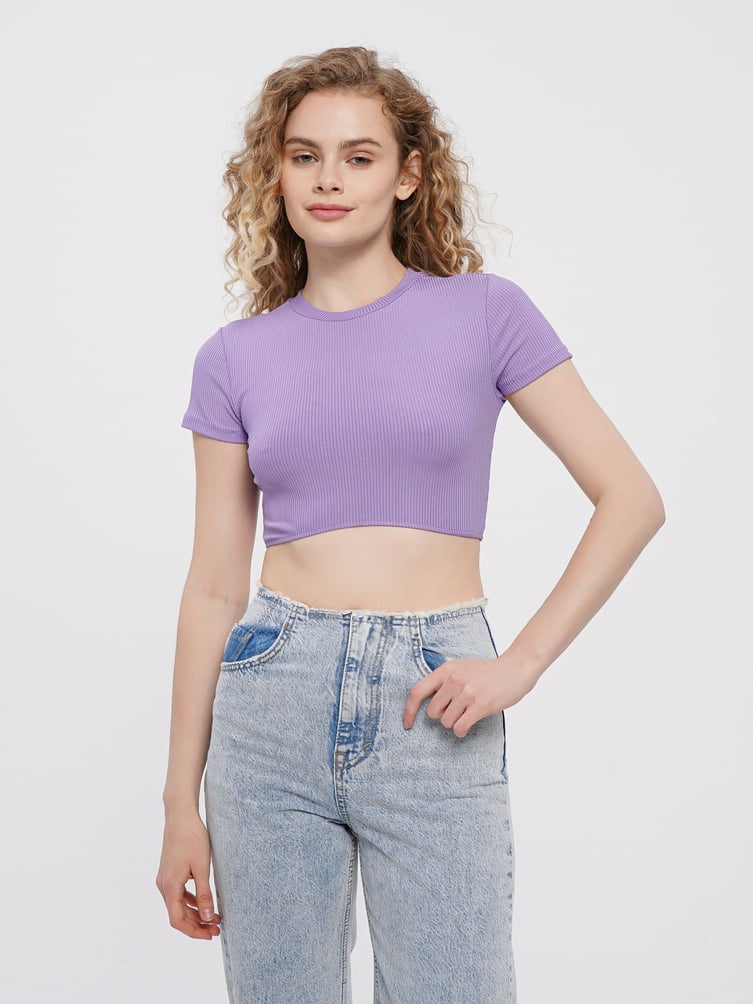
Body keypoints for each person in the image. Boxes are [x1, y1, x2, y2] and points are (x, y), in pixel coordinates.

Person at [155, 45, 665, 1004]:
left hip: (436, 697)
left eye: (358, 156)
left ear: (407, 175)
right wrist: (180, 802)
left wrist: (519, 663)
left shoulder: (486, 313)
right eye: (304, 156)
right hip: (271, 699)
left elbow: (630, 498)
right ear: (275, 174)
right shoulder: (233, 357)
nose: (328, 179)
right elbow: (214, 587)